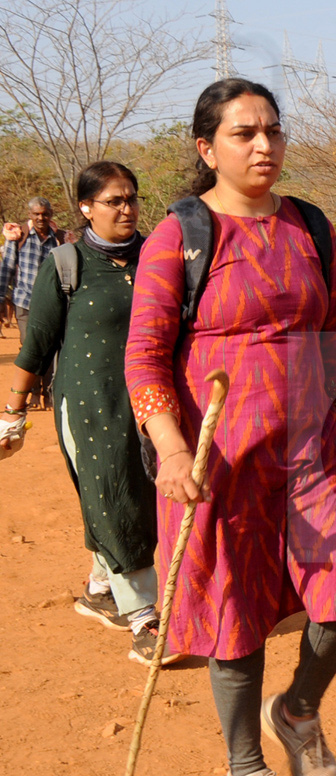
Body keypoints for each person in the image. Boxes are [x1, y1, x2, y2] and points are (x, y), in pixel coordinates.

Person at [125, 78, 336, 776]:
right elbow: (144, 358)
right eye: (243, 134)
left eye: (272, 130)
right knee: (233, 617)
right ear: (207, 149)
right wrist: (169, 451)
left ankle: (296, 710)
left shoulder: (311, 227)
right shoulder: (180, 236)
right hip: (217, 461)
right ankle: (243, 775)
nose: (263, 145)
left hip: (313, 451)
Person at [0, 162, 166, 664]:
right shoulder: (66, 262)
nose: (126, 208)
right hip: (90, 403)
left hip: (153, 399)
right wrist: (12, 414)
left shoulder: (158, 255)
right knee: (115, 493)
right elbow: (36, 344)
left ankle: (99, 589)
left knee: (148, 493)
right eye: (113, 200)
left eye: (131, 198)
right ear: (86, 207)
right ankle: (144, 615)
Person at [1, 197, 69, 407]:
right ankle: (34, 393)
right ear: (30, 215)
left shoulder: (59, 239)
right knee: (29, 346)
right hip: (24, 301)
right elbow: (7, 268)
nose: (41, 217)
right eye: (37, 214)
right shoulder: (18, 237)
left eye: (45, 214)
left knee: (50, 347)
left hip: (52, 304)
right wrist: (1, 297)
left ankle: (47, 394)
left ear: (51, 214)